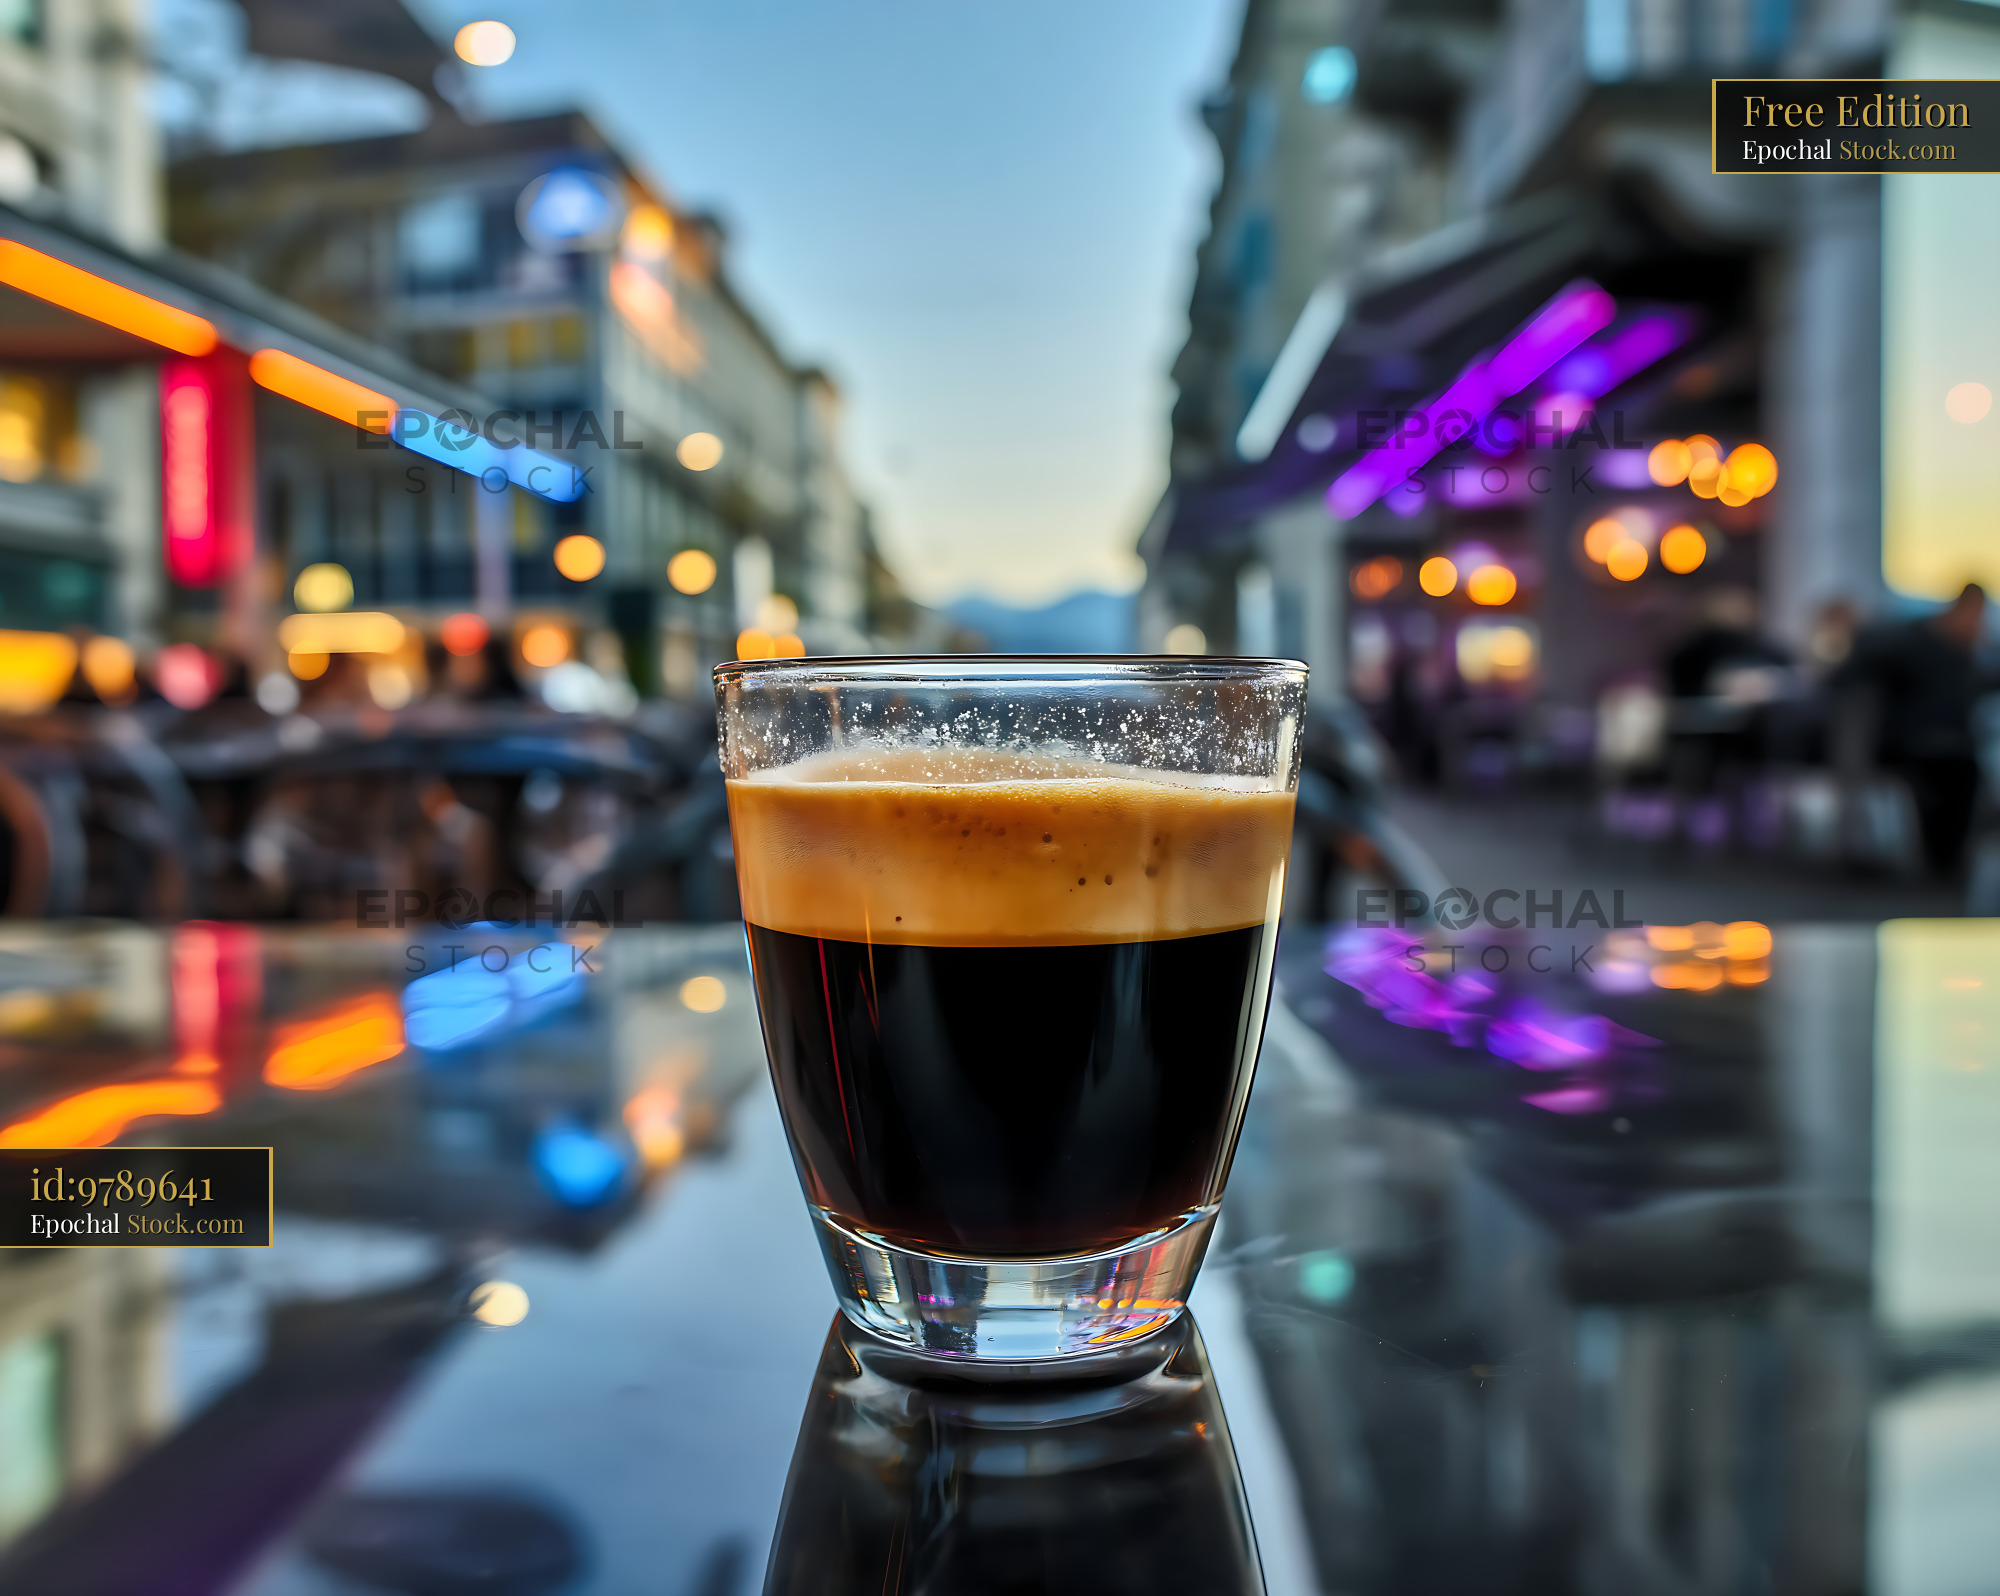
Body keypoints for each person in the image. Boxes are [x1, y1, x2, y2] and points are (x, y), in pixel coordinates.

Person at [1837, 583, 1989, 875]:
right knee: (1939, 779)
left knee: (1966, 775)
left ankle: (1948, 865)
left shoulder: (1969, 652)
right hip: (1908, 742)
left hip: (1955, 744)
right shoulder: (1912, 642)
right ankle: (1937, 865)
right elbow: (1858, 669)